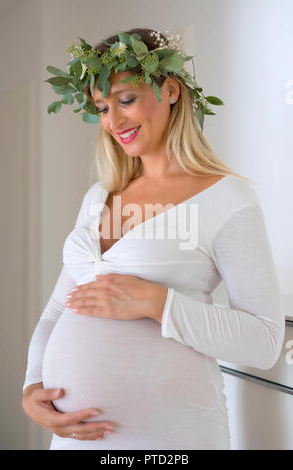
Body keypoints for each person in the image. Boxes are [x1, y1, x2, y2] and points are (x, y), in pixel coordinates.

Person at [22, 28, 285, 450]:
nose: (113, 121)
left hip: (171, 437)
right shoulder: (99, 196)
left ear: (171, 90)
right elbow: (58, 307)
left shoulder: (226, 197)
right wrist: (32, 383)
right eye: (103, 108)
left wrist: (155, 302)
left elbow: (265, 341)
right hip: (74, 439)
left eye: (126, 100)